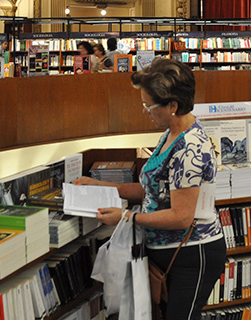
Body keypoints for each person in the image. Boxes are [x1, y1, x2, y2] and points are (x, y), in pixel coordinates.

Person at [75, 58, 225, 318]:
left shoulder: (189, 148)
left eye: (148, 105)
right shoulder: (170, 134)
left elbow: (181, 217)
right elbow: (152, 190)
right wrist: (102, 185)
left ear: (172, 106)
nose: (145, 111)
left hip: (191, 253)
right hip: (170, 254)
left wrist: (127, 217)